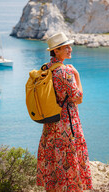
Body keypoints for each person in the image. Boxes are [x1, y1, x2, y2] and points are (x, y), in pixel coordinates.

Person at [36, 32, 93, 192]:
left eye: (69, 46)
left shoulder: (46, 68)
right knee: (68, 161)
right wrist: (77, 75)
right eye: (65, 47)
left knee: (53, 158)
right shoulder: (65, 72)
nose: (70, 49)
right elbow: (78, 98)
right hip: (67, 125)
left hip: (50, 122)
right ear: (56, 51)